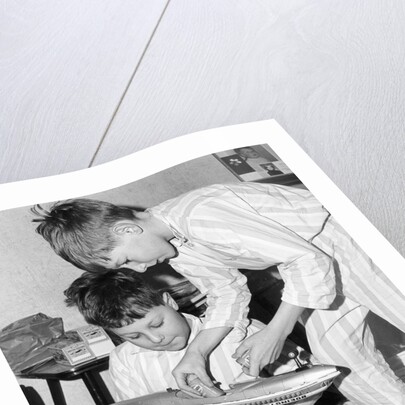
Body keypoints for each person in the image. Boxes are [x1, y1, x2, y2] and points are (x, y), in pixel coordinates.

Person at [33, 182, 405, 404]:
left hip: (348, 245)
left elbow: (308, 258)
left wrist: (275, 332)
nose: (140, 270)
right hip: (311, 274)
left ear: (127, 231)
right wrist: (195, 355)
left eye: (127, 260)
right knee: (342, 359)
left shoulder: (199, 214)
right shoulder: (181, 245)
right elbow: (226, 294)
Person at [64, 269, 317, 403]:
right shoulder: (125, 360)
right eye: (134, 337)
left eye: (157, 324)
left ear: (169, 301)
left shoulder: (240, 331)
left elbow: (309, 382)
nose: (155, 340)